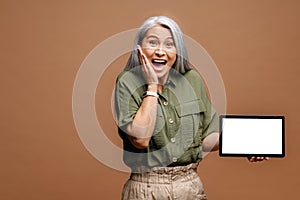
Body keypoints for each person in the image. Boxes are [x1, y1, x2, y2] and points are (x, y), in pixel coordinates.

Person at [114, 16, 267, 200]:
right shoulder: (127, 81)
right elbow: (140, 139)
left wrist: (245, 144)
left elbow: (205, 139)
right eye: (153, 43)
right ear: (139, 48)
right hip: (146, 188)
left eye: (169, 44)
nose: (161, 51)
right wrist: (152, 87)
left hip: (189, 186)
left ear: (178, 51)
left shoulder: (191, 79)